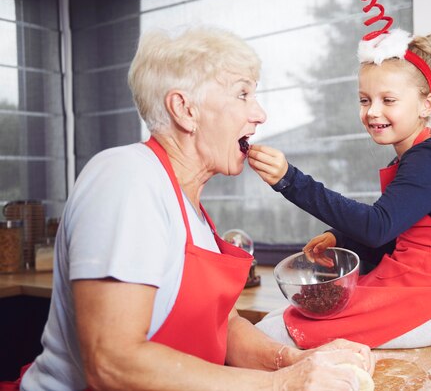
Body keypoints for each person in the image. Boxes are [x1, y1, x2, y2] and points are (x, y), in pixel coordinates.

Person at [8, 27, 374, 391]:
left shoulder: (191, 206)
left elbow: (225, 327)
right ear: (185, 110)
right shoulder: (127, 177)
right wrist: (283, 385)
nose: (260, 114)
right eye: (242, 94)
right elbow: (112, 363)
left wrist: (297, 361)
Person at [247, 0, 431, 350]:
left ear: (427, 104)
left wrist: (290, 180)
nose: (373, 111)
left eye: (388, 100)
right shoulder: (418, 157)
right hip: (408, 285)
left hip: (427, 304)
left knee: (273, 335)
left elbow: (378, 228)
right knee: (277, 320)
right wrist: (340, 238)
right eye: (364, 100)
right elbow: (397, 232)